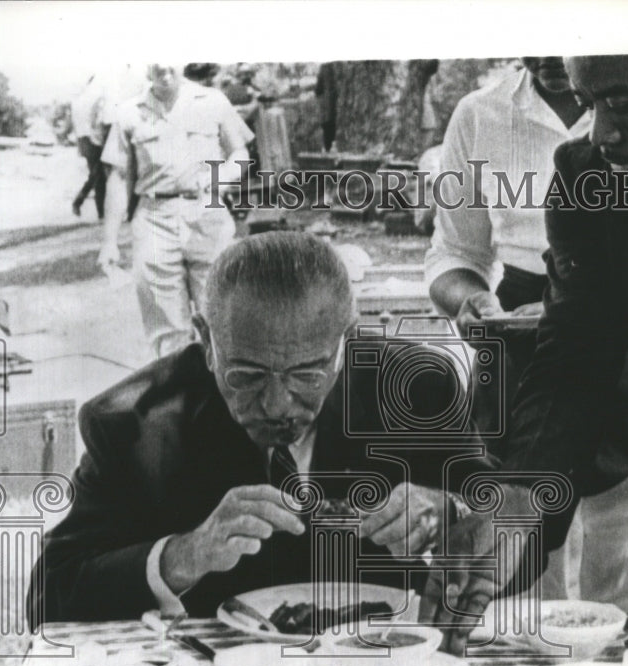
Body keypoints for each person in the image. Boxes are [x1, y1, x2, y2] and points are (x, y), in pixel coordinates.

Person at [28, 233, 489, 627]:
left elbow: (520, 534)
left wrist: (451, 516)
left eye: (307, 374)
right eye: (246, 375)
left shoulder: (419, 388)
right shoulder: (135, 423)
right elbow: (47, 598)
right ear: (207, 342)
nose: (276, 404)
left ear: (347, 340)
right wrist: (182, 556)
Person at [424, 54, 628, 653]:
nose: (602, 132)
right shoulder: (587, 171)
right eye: (591, 105)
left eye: (623, 100)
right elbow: (576, 355)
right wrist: (513, 501)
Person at [99, 65, 253, 358]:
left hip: (207, 215)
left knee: (223, 321)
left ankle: (225, 400)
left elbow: (240, 154)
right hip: (154, 219)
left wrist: (218, 177)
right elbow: (117, 178)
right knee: (167, 332)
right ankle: (179, 398)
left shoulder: (213, 101)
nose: (163, 66)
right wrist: (109, 241)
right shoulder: (128, 113)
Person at [71, 75, 109, 219]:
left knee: (96, 175)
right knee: (97, 176)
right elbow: (94, 121)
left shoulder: (76, 101)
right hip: (92, 140)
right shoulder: (92, 99)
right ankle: (84, 204)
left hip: (83, 140)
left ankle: (97, 210)